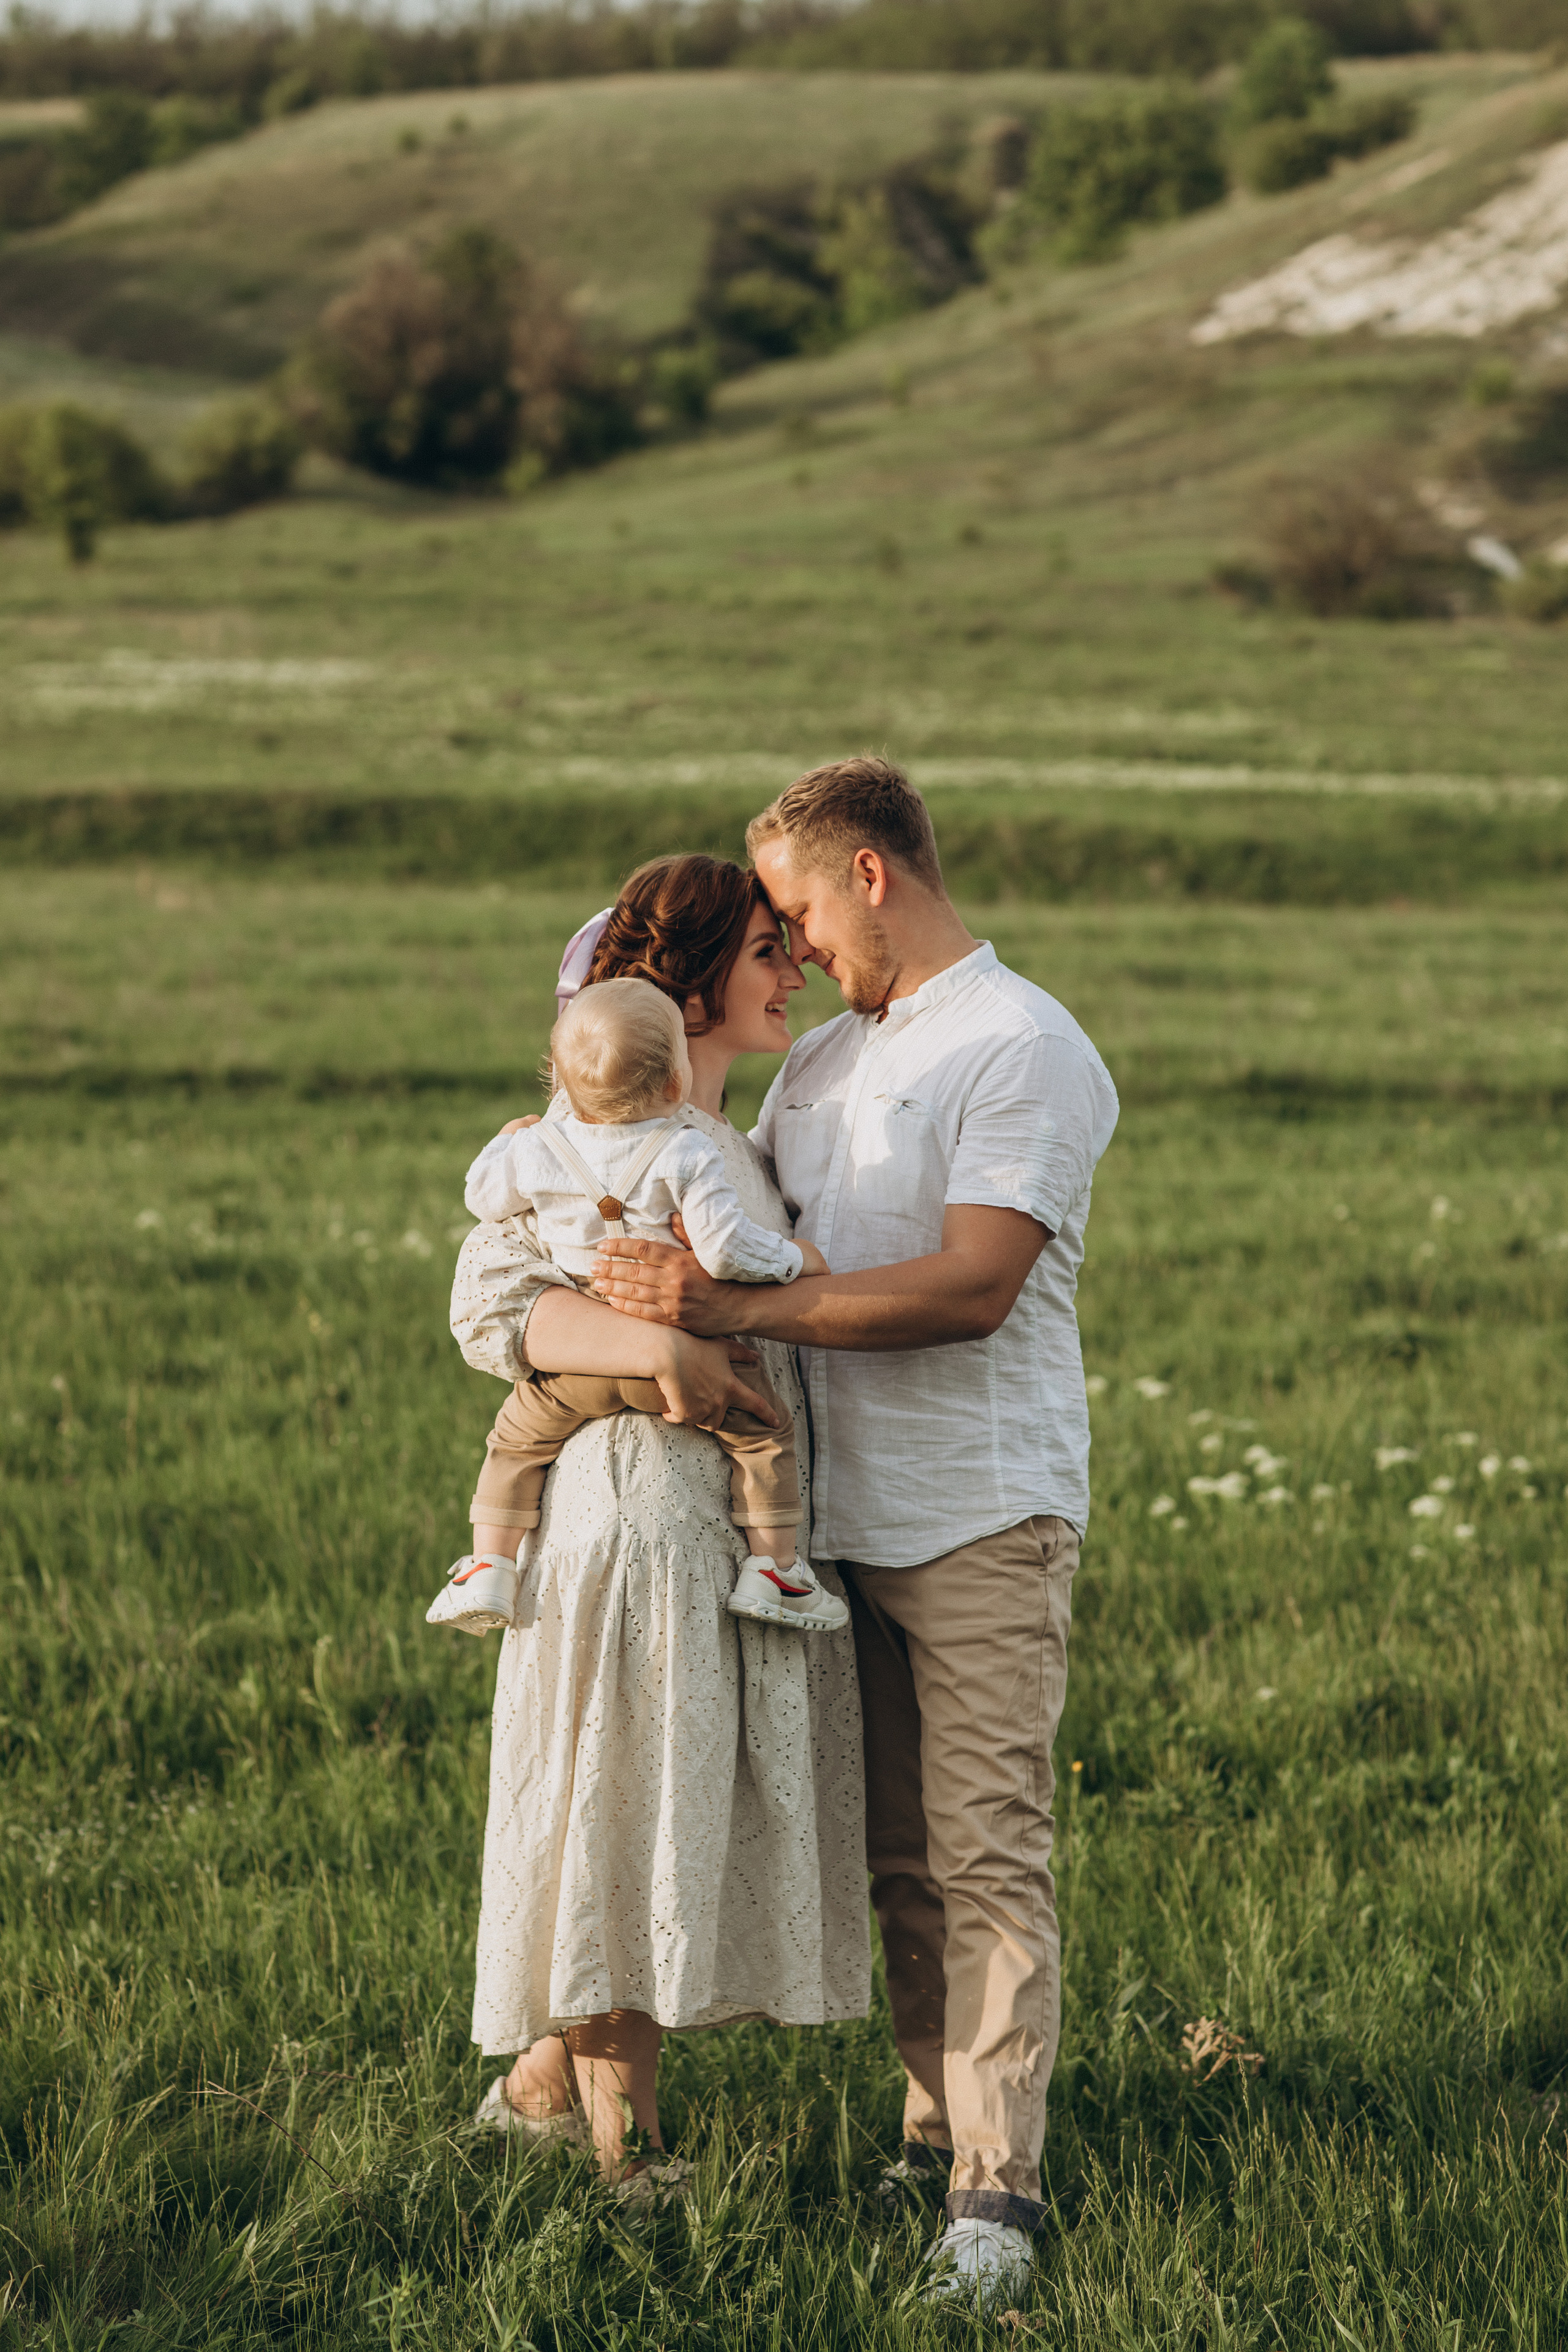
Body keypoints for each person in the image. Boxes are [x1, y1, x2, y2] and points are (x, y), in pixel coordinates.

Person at [590, 757, 1119, 2301]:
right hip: (829, 1522)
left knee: (984, 1853)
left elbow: (973, 1285)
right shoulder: (817, 1059)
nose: (797, 940)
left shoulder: (1019, 1044)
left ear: (872, 873)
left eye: (802, 906)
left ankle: (998, 2193)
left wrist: (733, 1303)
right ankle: (924, 2130)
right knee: (897, 1860)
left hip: (980, 1514)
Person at [448, 853, 870, 2199]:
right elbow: (489, 1312)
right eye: (762, 948)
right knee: (625, 1806)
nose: (790, 964)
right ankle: (631, 2167)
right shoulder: (576, 1143)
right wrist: (652, 1346)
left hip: (713, 1517)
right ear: (688, 989)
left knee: (667, 1801)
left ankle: (539, 2090)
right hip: (630, 1506)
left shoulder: (732, 1143)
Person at [429, 974, 845, 1638]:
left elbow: (483, 1197)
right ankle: (775, 1570)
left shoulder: (538, 1147)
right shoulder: (687, 1151)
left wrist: (508, 1140)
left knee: (513, 1443)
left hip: (582, 1358)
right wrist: (798, 1260)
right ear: (675, 1085)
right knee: (762, 1436)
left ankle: (489, 1564)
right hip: (684, 1351)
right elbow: (726, 1253)